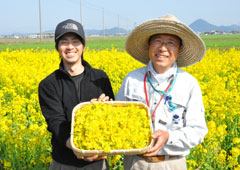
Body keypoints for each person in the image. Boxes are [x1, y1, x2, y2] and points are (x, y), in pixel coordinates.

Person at [116, 14, 208, 170]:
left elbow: (198, 131)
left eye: (170, 43)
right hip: (135, 162)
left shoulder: (189, 84)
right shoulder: (132, 79)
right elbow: (116, 119)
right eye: (157, 41)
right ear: (149, 45)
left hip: (172, 163)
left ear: (180, 49)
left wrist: (169, 137)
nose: (163, 48)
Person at [38, 19, 114, 170]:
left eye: (76, 41)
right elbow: (56, 123)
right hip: (64, 163)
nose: (70, 47)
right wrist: (77, 147)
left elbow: (112, 117)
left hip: (98, 162)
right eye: (64, 42)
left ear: (83, 46)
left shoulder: (100, 78)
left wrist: (104, 108)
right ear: (57, 47)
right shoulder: (48, 84)